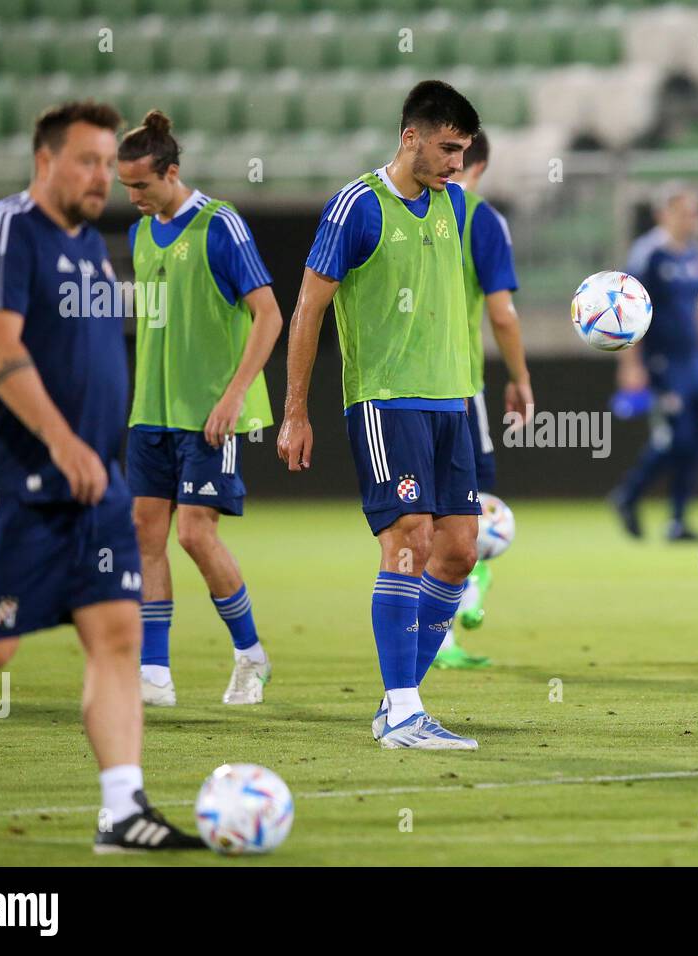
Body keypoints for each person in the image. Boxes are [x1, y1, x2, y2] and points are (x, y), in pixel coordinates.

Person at [0, 101, 202, 854]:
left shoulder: (92, 250)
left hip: (95, 485)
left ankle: (122, 811)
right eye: (87, 161)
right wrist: (63, 442)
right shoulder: (4, 231)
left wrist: (98, 455)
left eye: (109, 163)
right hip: (15, 483)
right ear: (45, 162)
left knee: (116, 635)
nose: (102, 176)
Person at [277, 80, 483, 749]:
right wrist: (295, 411)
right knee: (409, 539)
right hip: (385, 399)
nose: (457, 164)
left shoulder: (453, 205)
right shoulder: (356, 206)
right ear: (410, 137)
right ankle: (401, 711)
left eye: (464, 152)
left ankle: (402, 703)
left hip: (449, 400)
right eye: (449, 148)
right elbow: (307, 308)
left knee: (457, 552)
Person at [117, 110, 282, 706]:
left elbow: (269, 313)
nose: (132, 197)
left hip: (210, 414)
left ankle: (250, 654)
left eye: (141, 185)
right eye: (125, 187)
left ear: (172, 172)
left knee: (193, 534)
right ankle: (154, 672)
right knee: (144, 534)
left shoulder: (220, 225)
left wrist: (235, 394)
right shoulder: (139, 235)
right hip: (151, 412)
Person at [437, 129, 534, 669]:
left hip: (389, 393)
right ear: (481, 166)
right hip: (457, 386)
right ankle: (459, 608)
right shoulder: (481, 218)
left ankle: (420, 648)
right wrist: (519, 378)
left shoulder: (391, 206)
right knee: (465, 510)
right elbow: (502, 313)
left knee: (412, 521)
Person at [610, 183, 698, 541]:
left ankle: (677, 521)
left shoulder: (695, 256)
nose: (692, 220)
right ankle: (628, 495)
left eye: (695, 213)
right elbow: (628, 308)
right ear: (663, 214)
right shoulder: (648, 254)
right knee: (675, 438)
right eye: (684, 212)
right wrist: (630, 363)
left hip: (695, 364)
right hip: (662, 363)